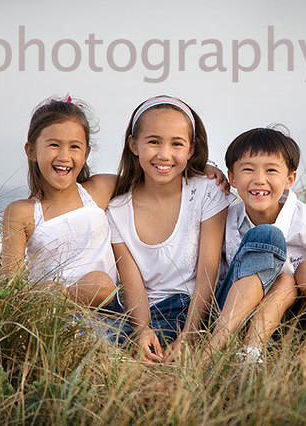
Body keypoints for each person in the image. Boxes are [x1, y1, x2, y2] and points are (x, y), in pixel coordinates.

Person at [210, 126, 306, 379]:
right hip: (247, 311)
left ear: (289, 179)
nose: (259, 179)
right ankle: (251, 350)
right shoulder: (226, 220)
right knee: (283, 279)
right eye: (248, 169)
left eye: (271, 170)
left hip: (304, 316)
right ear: (232, 178)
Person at [106, 95, 234, 362]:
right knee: (83, 329)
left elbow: (208, 272)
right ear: (134, 145)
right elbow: (133, 284)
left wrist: (190, 335)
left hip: (204, 308)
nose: (164, 154)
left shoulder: (207, 192)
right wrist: (142, 330)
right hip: (150, 313)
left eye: (177, 144)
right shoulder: (116, 210)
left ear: (190, 150)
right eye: (153, 141)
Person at [1, 96, 120, 308]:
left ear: (86, 154)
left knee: (100, 283)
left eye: (75, 147)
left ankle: (59, 297)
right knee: (50, 290)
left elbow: (149, 180)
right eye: (54, 145)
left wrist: (199, 168)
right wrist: (48, 294)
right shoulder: (21, 212)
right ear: (32, 151)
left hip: (106, 305)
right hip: (50, 310)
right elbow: (11, 283)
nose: (64, 156)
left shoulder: (99, 190)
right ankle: (59, 301)